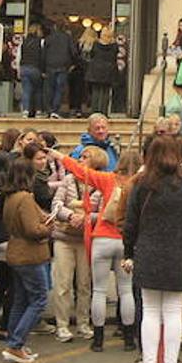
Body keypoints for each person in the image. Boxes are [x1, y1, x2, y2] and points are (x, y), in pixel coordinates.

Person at [124, 134, 182, 363]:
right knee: (172, 313)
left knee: (149, 311)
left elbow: (130, 224)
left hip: (148, 252)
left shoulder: (141, 184)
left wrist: (129, 252)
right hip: (180, 254)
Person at [54, 147, 140, 352]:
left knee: (99, 290)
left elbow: (81, 171)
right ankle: (129, 338)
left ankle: (98, 339)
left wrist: (60, 157)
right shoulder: (139, 183)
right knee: (126, 290)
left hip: (101, 237)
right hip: (125, 240)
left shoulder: (107, 179)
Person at [0, 156, 53, 363]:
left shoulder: (10, 197)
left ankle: (14, 341)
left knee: (20, 300)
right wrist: (47, 227)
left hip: (15, 252)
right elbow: (33, 230)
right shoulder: (25, 198)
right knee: (38, 299)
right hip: (30, 254)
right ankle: (16, 344)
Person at [48, 145, 95, 344]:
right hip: (64, 238)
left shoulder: (99, 182)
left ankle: (84, 322)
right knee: (63, 283)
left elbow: (105, 210)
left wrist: (86, 218)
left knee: (84, 284)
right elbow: (56, 204)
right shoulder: (67, 180)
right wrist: (70, 215)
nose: (81, 160)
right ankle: (63, 325)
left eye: (86, 157)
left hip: (86, 239)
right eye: (80, 157)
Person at [41, 23, 76, 119]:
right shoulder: (67, 38)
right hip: (63, 66)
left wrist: (42, 68)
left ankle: (49, 109)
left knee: (49, 89)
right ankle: (55, 110)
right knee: (59, 89)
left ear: (55, 27)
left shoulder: (48, 38)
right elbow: (73, 51)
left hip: (50, 66)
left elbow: (43, 54)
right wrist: (72, 64)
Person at [19, 24, 44, 118]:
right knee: (38, 90)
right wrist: (43, 70)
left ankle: (25, 111)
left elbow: (19, 56)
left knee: (26, 90)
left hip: (24, 67)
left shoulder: (24, 42)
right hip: (35, 68)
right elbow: (42, 57)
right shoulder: (40, 42)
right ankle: (38, 111)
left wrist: (19, 69)